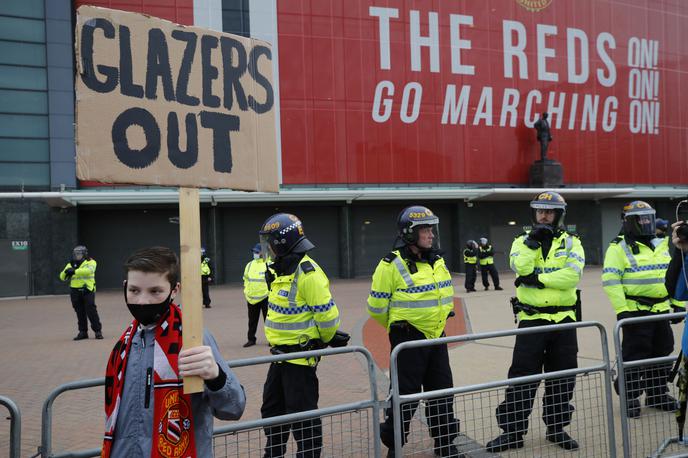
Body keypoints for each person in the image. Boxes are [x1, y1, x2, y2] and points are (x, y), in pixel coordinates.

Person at [102, 246, 245, 458]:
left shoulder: (193, 338)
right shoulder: (123, 346)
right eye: (134, 290)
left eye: (155, 291)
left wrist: (216, 377)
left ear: (174, 290)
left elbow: (233, 409)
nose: (142, 301)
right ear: (125, 287)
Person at [486, 191, 585, 452]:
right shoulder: (521, 241)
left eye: (549, 211)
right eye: (540, 210)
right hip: (532, 320)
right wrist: (532, 244)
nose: (544, 215)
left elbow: (572, 277)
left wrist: (539, 280)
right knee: (522, 377)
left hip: (564, 319)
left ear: (559, 215)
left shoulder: (572, 242)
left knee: (562, 378)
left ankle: (556, 428)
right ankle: (513, 432)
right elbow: (521, 267)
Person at [368, 205, 461, 458]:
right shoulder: (390, 265)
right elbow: (376, 307)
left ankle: (445, 445)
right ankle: (394, 448)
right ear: (410, 234)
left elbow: (444, 295)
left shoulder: (437, 261)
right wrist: (398, 324)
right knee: (404, 397)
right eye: (425, 230)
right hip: (407, 338)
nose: (431, 235)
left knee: (442, 391)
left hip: (436, 336)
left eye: (432, 229)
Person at [258, 213, 348, 458]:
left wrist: (324, 339)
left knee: (303, 418)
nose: (267, 248)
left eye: (270, 242)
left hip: (299, 360)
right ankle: (273, 454)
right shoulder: (280, 270)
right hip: (278, 359)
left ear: (282, 243)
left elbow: (328, 319)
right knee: (272, 411)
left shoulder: (308, 273)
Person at [602, 201, 685, 418]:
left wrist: (677, 303)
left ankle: (657, 395)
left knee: (662, 353)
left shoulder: (659, 243)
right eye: (640, 219)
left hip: (660, 310)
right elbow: (611, 280)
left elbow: (670, 274)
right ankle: (630, 396)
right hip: (635, 311)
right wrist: (622, 310)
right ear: (629, 222)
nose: (645, 222)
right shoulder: (618, 247)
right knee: (634, 357)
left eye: (648, 218)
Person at [59, 245, 103, 340]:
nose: (77, 256)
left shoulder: (91, 262)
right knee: (80, 312)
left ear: (84, 254)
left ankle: (97, 331)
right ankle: (83, 332)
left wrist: (74, 271)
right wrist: (66, 272)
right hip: (75, 291)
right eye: (75, 254)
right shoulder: (71, 263)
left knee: (91, 311)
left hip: (87, 289)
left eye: (79, 254)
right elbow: (62, 277)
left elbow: (89, 271)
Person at [242, 243, 269, 347]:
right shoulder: (249, 265)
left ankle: (271, 340)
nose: (255, 253)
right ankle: (251, 339)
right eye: (254, 251)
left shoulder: (268, 263)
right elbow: (246, 279)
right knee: (252, 321)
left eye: (257, 252)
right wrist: (247, 292)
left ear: (263, 253)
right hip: (251, 298)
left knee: (268, 321)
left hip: (266, 297)